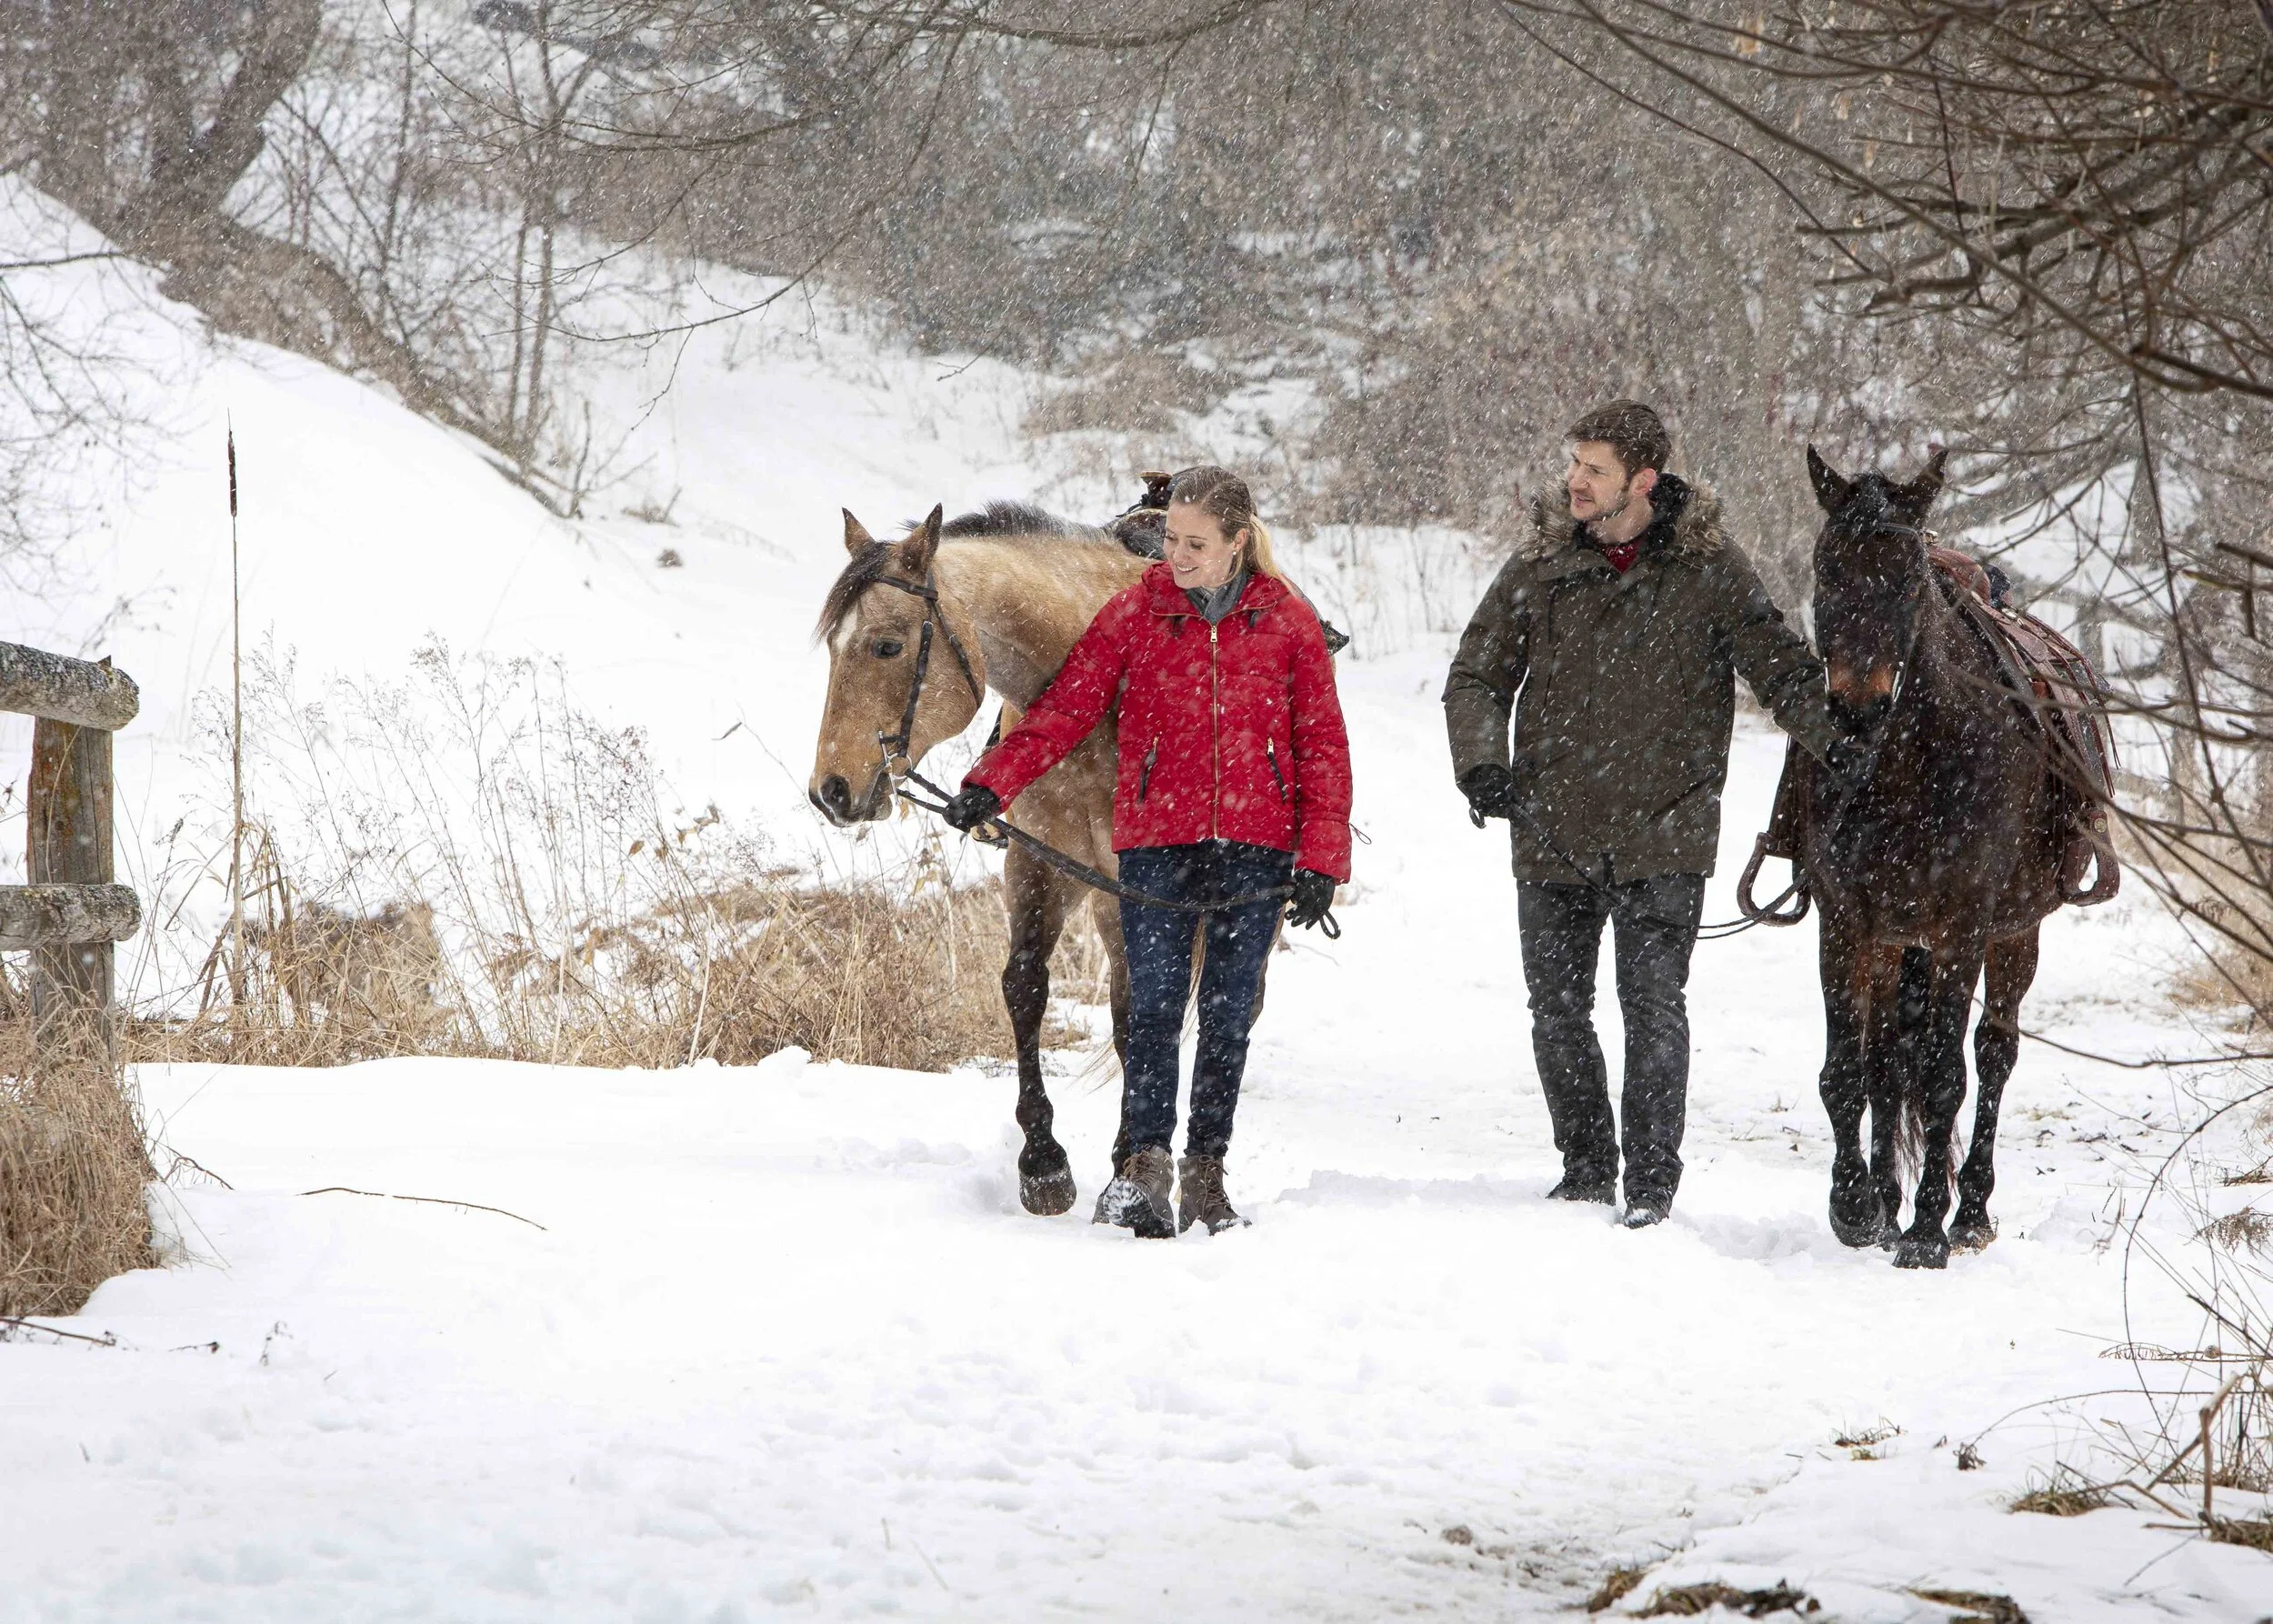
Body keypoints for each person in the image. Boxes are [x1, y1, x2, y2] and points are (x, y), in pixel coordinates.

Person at [1443, 401, 1857, 1229]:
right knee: (1556, 1008)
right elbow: (1476, 675)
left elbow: (1780, 670)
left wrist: (1849, 749)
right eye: (1574, 465)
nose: (1574, 481)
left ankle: (1651, 1189)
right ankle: (1588, 1168)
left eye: (1593, 469)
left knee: (1653, 1004)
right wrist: (1482, 764)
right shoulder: (1540, 563)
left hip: (1666, 829)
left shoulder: (1709, 570)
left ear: (1644, 479)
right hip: (1552, 822)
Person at [940, 466, 1353, 1238]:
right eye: (1171, 540)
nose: (1178, 556)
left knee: (1228, 1020)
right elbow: (1064, 709)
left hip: (1257, 849)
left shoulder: (1288, 621)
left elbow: (1322, 743)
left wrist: (1322, 860)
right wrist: (990, 785)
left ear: (1237, 544)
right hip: (1157, 841)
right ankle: (1143, 1170)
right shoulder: (1134, 612)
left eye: (1197, 543)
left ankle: (1207, 1173)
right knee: (1153, 1011)